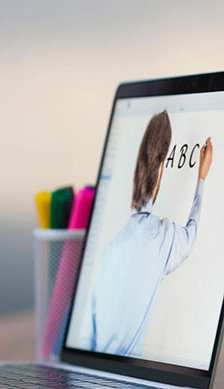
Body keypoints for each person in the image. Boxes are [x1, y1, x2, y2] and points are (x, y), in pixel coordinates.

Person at [89, 110, 213, 358]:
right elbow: (191, 235)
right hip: (127, 379)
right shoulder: (161, 238)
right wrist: (201, 177)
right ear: (159, 172)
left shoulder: (111, 249)